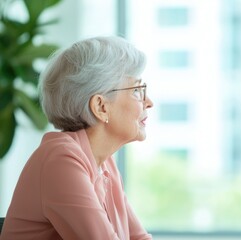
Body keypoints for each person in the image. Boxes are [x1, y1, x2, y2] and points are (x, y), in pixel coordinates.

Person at [0, 36, 153, 240]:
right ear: (101, 107)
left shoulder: (105, 164)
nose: (149, 102)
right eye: (136, 90)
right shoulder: (60, 159)